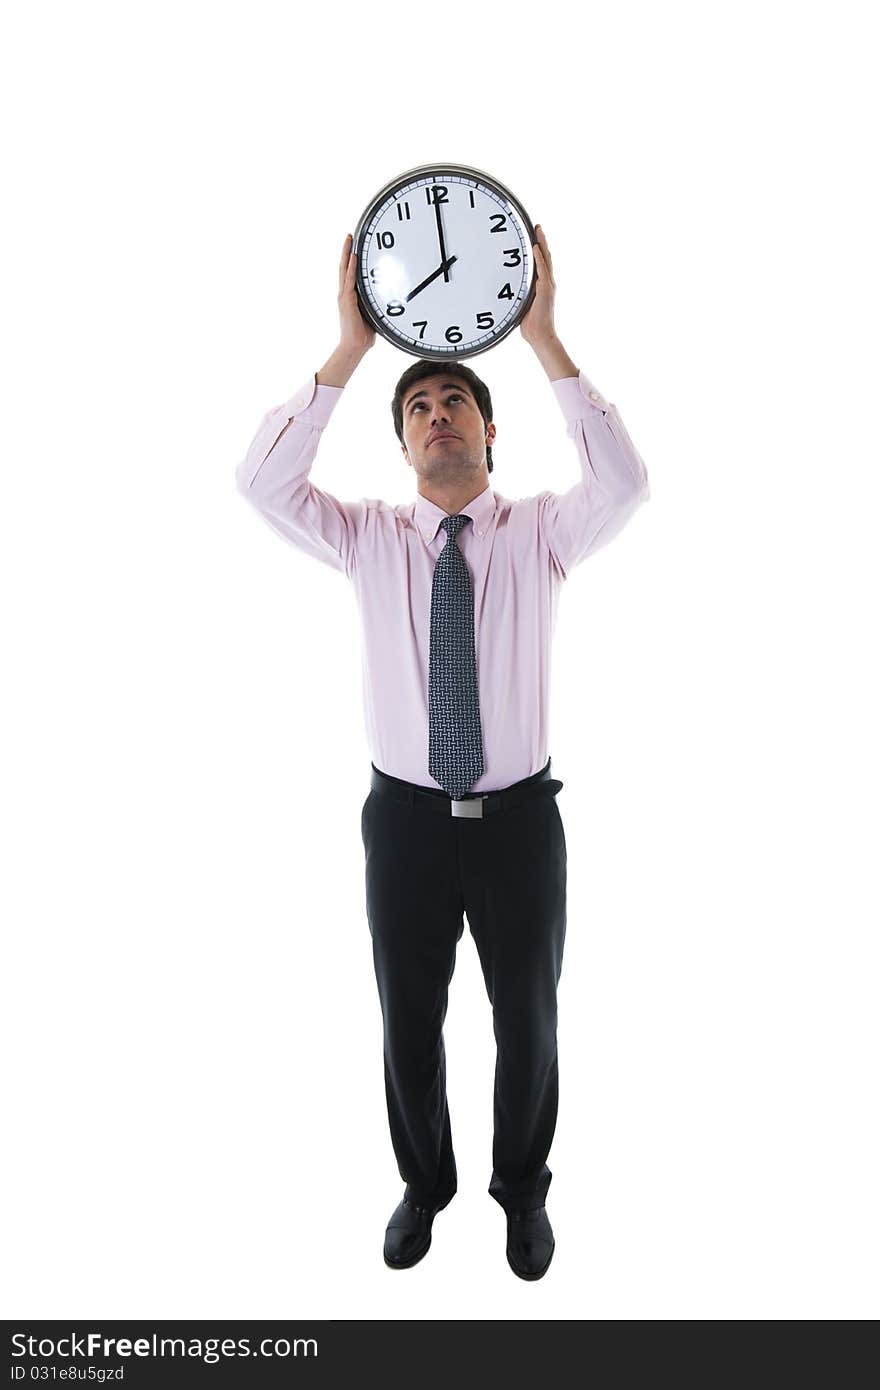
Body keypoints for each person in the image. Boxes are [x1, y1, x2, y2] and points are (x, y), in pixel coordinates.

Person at [235, 225, 649, 1280]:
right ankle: (425, 1184)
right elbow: (261, 485)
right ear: (404, 442)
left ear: (489, 428)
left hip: (520, 824)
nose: (435, 415)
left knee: (531, 1025)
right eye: (417, 408)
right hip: (406, 824)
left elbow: (627, 480)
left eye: (454, 400)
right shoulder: (365, 536)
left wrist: (545, 337)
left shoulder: (545, 531)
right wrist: (348, 351)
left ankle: (523, 1192)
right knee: (407, 1023)